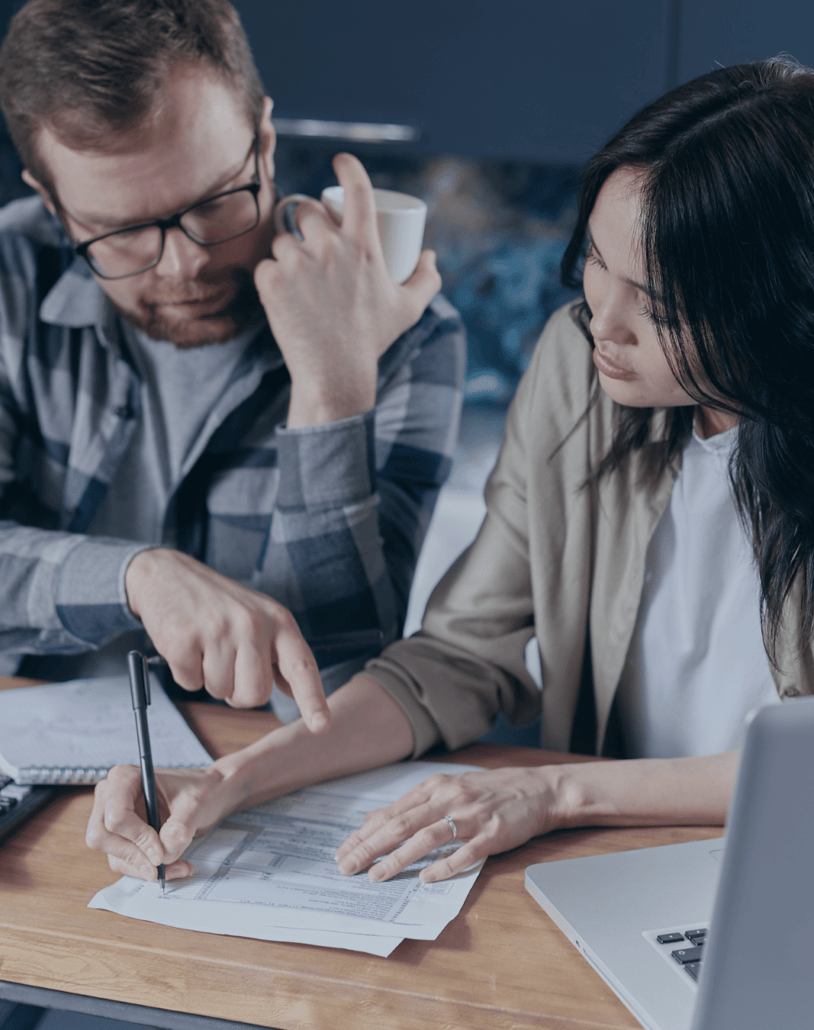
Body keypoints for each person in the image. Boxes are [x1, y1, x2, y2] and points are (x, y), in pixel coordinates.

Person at [88, 56, 814, 887]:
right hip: (619, 865)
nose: (601, 320)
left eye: (662, 304)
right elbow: (462, 656)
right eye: (597, 262)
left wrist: (554, 791)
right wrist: (233, 781)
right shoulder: (576, 370)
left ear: (781, 306)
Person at [0, 0, 465, 725]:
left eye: (213, 202)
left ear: (264, 141)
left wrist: (331, 390)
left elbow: (335, 690)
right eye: (118, 232)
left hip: (257, 774)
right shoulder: (3, 277)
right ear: (52, 207)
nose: (185, 265)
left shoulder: (408, 330)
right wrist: (137, 578)